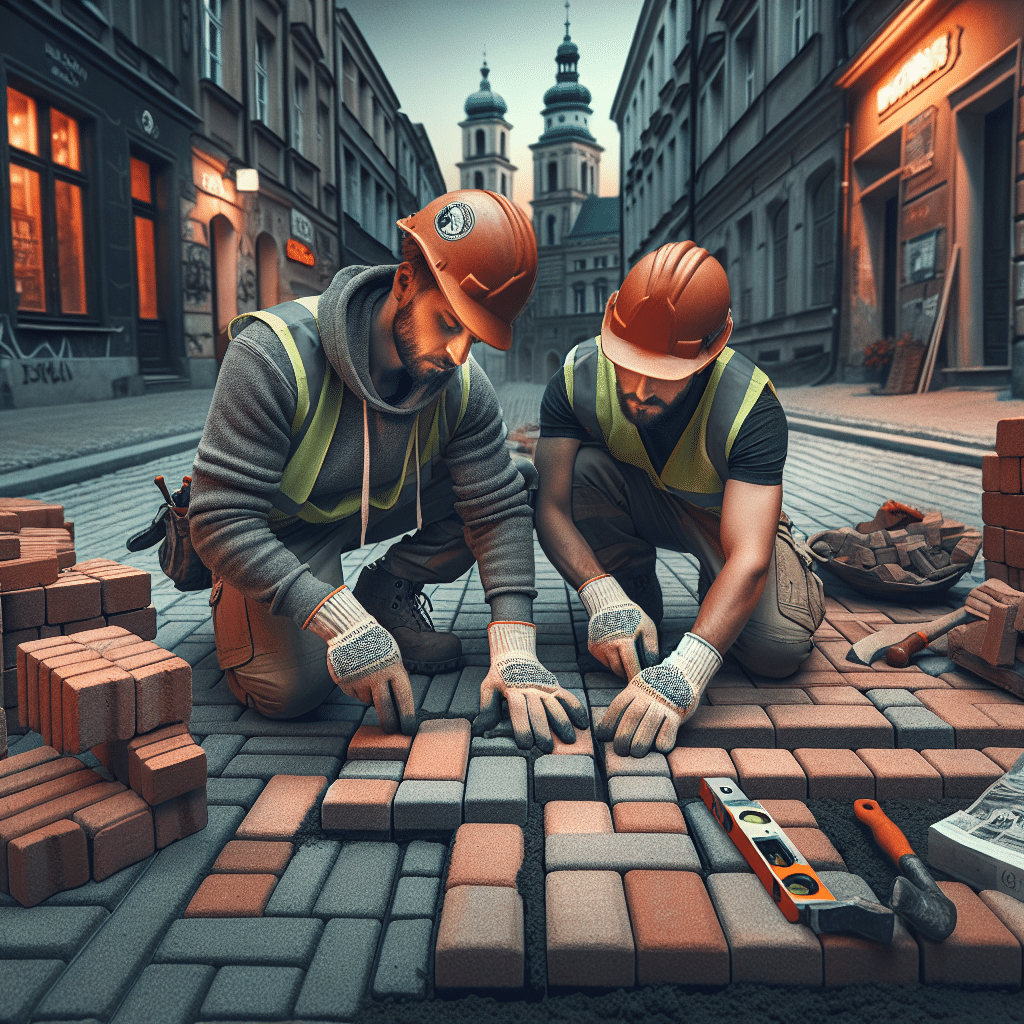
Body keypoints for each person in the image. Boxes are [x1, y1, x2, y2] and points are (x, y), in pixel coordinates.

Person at [189, 189, 587, 750]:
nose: (457, 353)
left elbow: (496, 512)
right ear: (403, 283)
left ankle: (384, 591)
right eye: (449, 322)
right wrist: (337, 621)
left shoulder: (463, 387)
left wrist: (515, 644)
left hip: (365, 510)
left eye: (475, 337)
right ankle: (255, 598)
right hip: (268, 533)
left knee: (514, 480)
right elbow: (218, 517)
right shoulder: (271, 356)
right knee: (288, 692)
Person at [534, 240, 824, 758]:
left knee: (777, 649)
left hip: (729, 522)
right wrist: (602, 595)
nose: (640, 389)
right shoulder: (577, 376)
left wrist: (688, 670)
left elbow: (750, 557)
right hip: (640, 496)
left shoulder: (750, 405)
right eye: (628, 364)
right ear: (611, 321)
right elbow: (551, 507)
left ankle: (758, 575)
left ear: (709, 352)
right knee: (577, 473)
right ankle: (634, 586)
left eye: (664, 374)